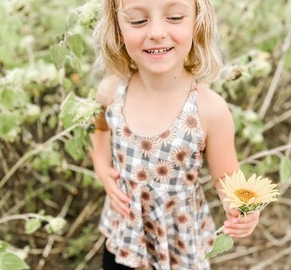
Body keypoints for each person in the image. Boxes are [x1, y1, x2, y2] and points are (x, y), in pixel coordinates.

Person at [89, 0, 260, 269]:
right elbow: (97, 128)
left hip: (180, 245)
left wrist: (244, 208)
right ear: (118, 28)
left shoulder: (209, 110)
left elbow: (228, 178)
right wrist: (101, 166)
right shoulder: (111, 93)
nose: (156, 32)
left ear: (197, 21)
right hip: (126, 236)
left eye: (175, 17)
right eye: (137, 20)